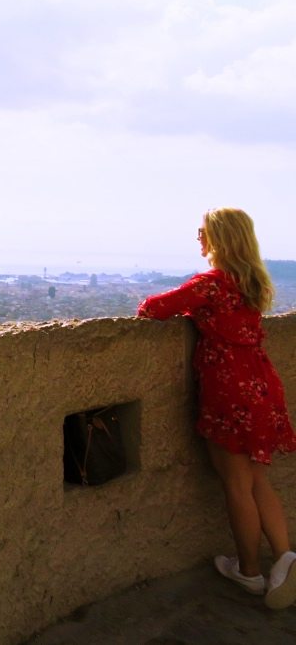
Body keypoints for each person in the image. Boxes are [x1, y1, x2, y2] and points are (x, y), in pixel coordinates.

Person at [138, 207, 296, 609]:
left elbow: (153, 308)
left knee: (236, 486)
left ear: (219, 239)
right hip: (260, 385)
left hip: (229, 392)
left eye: (202, 232)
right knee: (258, 481)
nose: (198, 238)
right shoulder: (252, 282)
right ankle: (284, 556)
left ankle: (248, 571)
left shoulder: (210, 284)